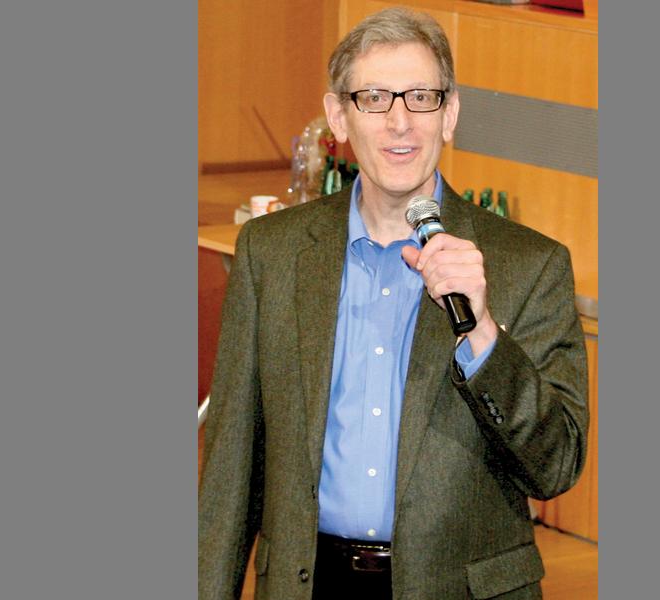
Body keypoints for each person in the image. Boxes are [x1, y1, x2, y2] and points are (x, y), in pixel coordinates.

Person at [199, 7, 588, 600]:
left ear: (450, 115)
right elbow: (230, 470)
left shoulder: (528, 265)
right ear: (339, 116)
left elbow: (555, 465)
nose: (400, 122)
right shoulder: (272, 254)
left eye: (421, 98)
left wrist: (484, 334)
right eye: (375, 98)